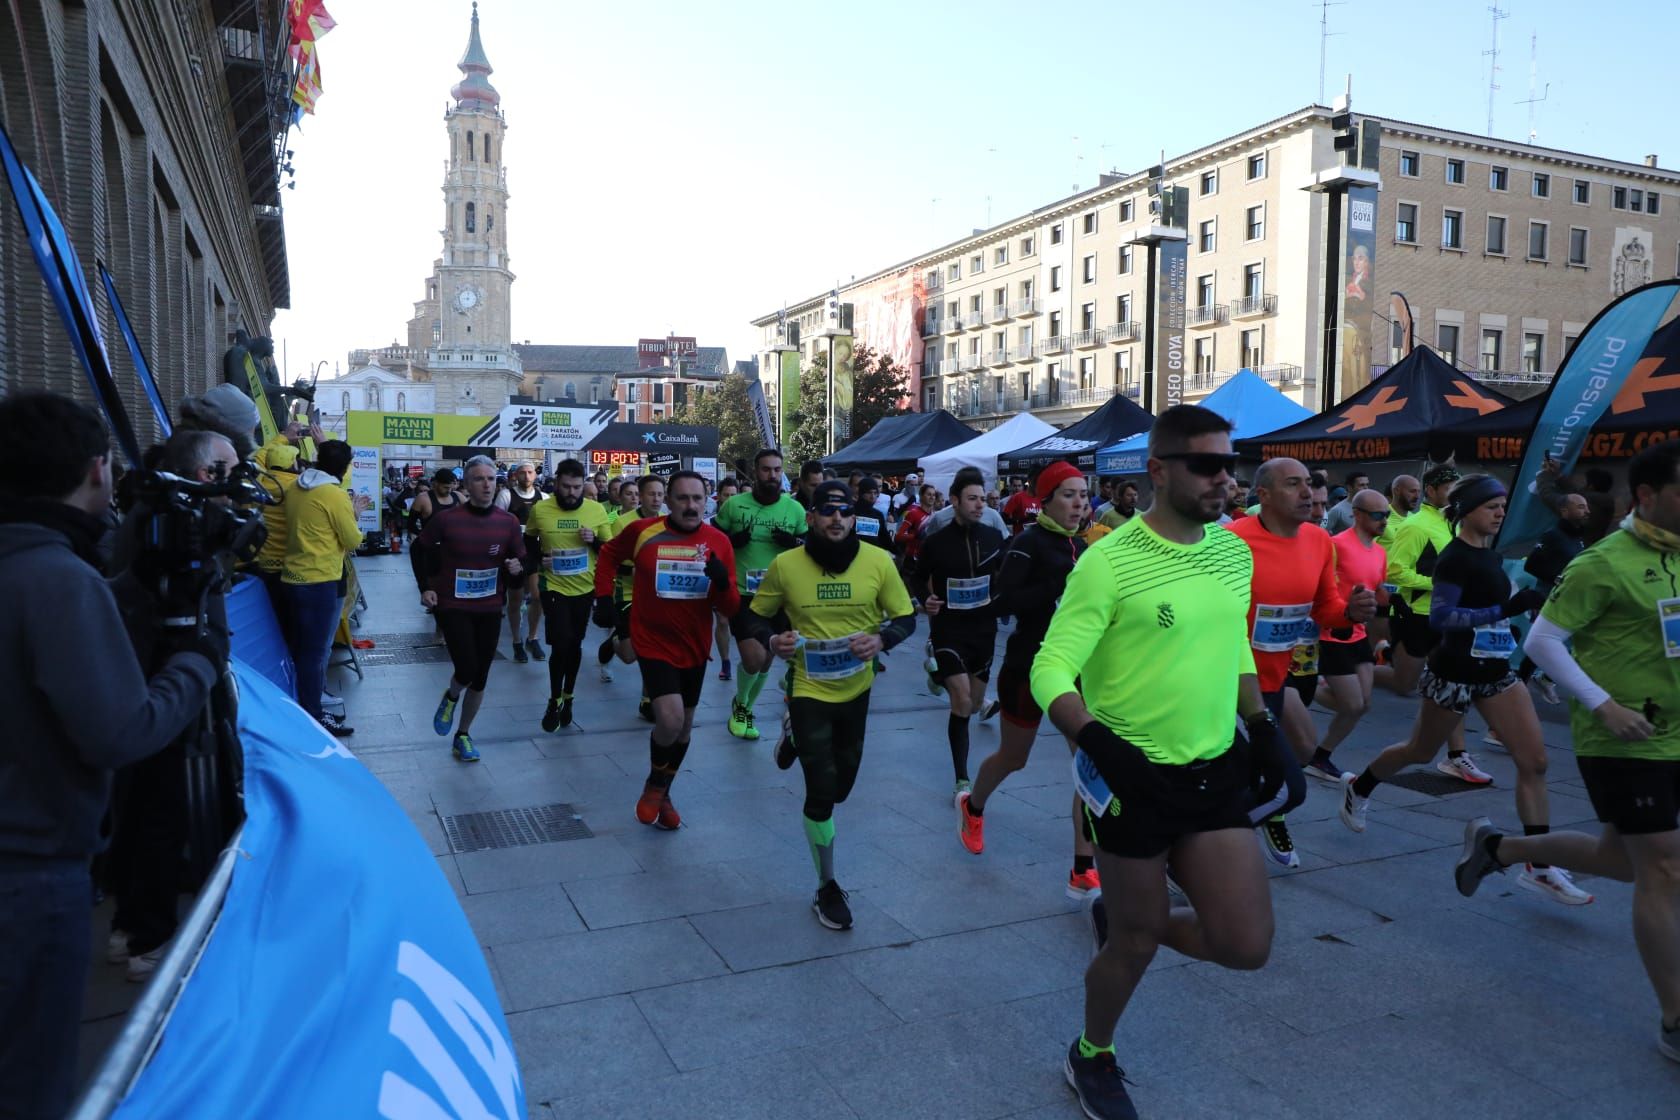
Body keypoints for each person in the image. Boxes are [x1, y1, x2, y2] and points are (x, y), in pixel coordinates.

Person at [1031, 404, 1281, 1120]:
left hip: (1213, 772)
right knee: (1134, 946)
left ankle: (1126, 918)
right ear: (1159, 470)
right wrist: (1099, 744)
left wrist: (1263, 730)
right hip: (1130, 783)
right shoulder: (1109, 560)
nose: (1223, 479)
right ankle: (1092, 1054)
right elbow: (1050, 670)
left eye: (1228, 464)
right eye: (1206, 464)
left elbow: (1233, 643)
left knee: (1246, 945)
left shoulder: (1233, 552)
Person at [0, 394, 222, 1120]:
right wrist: (195, 661)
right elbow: (122, 731)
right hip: (32, 876)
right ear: (97, 471)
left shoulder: (45, 568)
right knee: (31, 1080)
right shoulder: (55, 580)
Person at [1456, 440, 1680, 1061]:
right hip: (1626, 739)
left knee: (1623, 860)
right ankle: (1675, 1018)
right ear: (1646, 496)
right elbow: (1546, 643)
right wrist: (1602, 704)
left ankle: (1502, 848)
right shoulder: (1600, 563)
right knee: (1663, 867)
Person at [1339, 475, 1591, 903]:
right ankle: (1358, 788)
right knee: (1419, 751)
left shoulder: (1490, 556)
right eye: (1492, 505)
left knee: (1536, 761)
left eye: (1502, 505)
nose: (1499, 513)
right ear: (1468, 509)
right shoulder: (1455, 559)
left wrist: (1512, 615)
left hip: (1495, 672)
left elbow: (1489, 610)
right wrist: (1503, 608)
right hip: (1454, 672)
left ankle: (1539, 863)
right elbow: (1442, 619)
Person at [744, 480, 916, 929]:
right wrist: (771, 639)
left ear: (854, 518)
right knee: (822, 794)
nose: (836, 519)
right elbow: (754, 615)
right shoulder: (786, 565)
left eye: (843, 512)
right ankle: (827, 886)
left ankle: (792, 738)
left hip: (857, 690)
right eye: (827, 512)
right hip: (807, 688)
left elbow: (906, 618)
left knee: (842, 788)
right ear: (812, 518)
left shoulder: (879, 561)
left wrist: (880, 640)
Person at [956, 462, 1100, 896]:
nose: (1080, 503)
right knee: (1014, 758)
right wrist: (1057, 585)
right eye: (1069, 494)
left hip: (1076, 672)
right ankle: (973, 806)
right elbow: (1000, 601)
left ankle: (1082, 867)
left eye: (1084, 494)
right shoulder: (1028, 542)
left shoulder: (1090, 546)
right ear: (1047, 499)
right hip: (1029, 667)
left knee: (1087, 764)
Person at [1226, 459, 1375, 867]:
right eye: (1294, 484)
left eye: (1308, 483)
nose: (1308, 493)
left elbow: (1326, 606)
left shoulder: (1317, 541)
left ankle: (1250, 822)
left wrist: (1351, 613)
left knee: (1268, 779)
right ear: (1265, 495)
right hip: (1227, 684)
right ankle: (1199, 853)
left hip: (1276, 682)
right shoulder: (1232, 540)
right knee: (1282, 784)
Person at [593, 471, 739, 828]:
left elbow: (732, 608)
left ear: (708, 502)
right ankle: (655, 784)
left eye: (698, 499)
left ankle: (665, 791)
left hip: (693, 643)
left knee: (685, 729)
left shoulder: (719, 542)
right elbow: (609, 556)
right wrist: (602, 598)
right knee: (670, 719)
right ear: (667, 501)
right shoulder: (643, 532)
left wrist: (721, 582)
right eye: (683, 498)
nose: (691, 506)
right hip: (652, 639)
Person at [418, 457, 526, 761]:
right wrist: (425, 587)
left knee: (481, 676)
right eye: (479, 479)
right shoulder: (447, 519)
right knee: (467, 667)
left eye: (491, 479)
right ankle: (451, 695)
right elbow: (420, 550)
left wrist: (517, 567)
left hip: (490, 606)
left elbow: (521, 561)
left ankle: (463, 735)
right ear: (466, 484)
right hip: (453, 606)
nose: (487, 484)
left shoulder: (508, 523)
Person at [913, 466, 1006, 799]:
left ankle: (936, 677)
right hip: (948, 630)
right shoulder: (936, 542)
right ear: (954, 500)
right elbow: (913, 575)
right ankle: (962, 779)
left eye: (983, 499)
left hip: (983, 631)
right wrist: (927, 599)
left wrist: (1001, 597)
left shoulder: (994, 538)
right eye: (972, 499)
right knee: (963, 702)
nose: (980, 505)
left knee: (977, 701)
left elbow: (1006, 575)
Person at [715, 449, 808, 740]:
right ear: (755, 471)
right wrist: (731, 541)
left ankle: (744, 707)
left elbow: (810, 546)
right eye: (766, 470)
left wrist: (794, 541)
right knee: (754, 658)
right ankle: (741, 705)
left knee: (767, 659)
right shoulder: (734, 505)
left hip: (780, 595)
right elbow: (712, 541)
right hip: (744, 594)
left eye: (777, 470)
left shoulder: (794, 509)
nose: (772, 476)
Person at [282, 440, 366, 736]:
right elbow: (353, 540)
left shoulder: (295, 487)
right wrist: (354, 513)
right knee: (316, 654)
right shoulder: (333, 494)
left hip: (292, 577)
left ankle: (308, 705)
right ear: (344, 468)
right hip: (320, 581)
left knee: (303, 650)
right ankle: (314, 715)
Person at [1309, 488, 1391, 782]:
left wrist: (1387, 600)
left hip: (1358, 635)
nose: (1384, 521)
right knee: (1352, 704)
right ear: (1356, 514)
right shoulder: (1336, 545)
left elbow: (1377, 587)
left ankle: (1321, 756)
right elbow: (1319, 587)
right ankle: (1301, 685)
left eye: (1387, 515)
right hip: (1331, 632)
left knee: (1363, 704)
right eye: (1378, 515)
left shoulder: (1380, 552)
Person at [528, 459, 613, 731]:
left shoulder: (596, 510)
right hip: (554, 587)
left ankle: (569, 696)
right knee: (561, 643)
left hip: (584, 589)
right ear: (556, 483)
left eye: (577, 487)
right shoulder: (541, 509)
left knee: (574, 645)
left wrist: (594, 541)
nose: (571, 493)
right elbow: (528, 543)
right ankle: (554, 699)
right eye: (566, 487)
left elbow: (609, 551)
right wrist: (540, 560)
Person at [596, 474, 666, 712]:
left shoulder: (667, 522)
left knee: (653, 646)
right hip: (626, 592)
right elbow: (610, 560)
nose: (655, 499)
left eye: (660, 494)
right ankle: (611, 644)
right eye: (650, 494)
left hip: (656, 595)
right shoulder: (622, 523)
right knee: (629, 655)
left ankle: (648, 699)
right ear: (641, 496)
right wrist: (635, 567)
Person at [1515, 490, 1590, 702]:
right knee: (1542, 644)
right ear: (1564, 510)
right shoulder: (1552, 535)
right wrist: (1556, 578)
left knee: (1569, 642)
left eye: (1586, 507)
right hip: (1548, 599)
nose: (1587, 511)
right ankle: (1519, 685)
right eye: (1581, 507)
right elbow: (1532, 564)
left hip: (1570, 600)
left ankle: (1544, 679)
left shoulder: (1577, 538)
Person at [495, 461, 547, 664]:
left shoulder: (543, 498)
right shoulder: (506, 495)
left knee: (538, 597)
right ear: (516, 475)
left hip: (534, 553)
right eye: (523, 472)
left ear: (535, 475)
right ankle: (517, 641)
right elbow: (497, 524)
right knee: (515, 600)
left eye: (530, 472)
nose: (526, 476)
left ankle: (532, 638)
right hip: (513, 554)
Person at [409, 468, 462, 601]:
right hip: (431, 552)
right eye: (445, 487)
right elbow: (410, 524)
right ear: (435, 484)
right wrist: (424, 536)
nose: (448, 490)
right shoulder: (423, 499)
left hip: (454, 551)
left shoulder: (458, 497)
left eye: (451, 487)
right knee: (435, 590)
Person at [710, 476, 741, 679]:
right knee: (722, 621)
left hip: (742, 578)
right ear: (718, 496)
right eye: (726, 495)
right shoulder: (710, 523)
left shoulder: (745, 520)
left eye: (733, 495)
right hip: (717, 579)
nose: (729, 499)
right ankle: (726, 661)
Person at [852, 476, 895, 550]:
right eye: (869, 493)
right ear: (861, 493)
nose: (872, 496)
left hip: (873, 556)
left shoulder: (878, 515)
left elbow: (885, 539)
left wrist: (898, 552)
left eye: (875, 493)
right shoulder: (850, 512)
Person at [1323, 470, 1371, 535]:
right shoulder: (1337, 510)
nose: (1366, 488)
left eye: (1367, 484)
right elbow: (1321, 531)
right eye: (1361, 485)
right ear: (1350, 487)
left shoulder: (1371, 507)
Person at [1001, 472, 1042, 537]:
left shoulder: (1041, 498)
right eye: (1036, 482)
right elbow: (1004, 518)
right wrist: (1021, 520)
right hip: (1020, 539)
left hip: (1037, 538)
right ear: (1029, 481)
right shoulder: (1017, 497)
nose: (1038, 484)